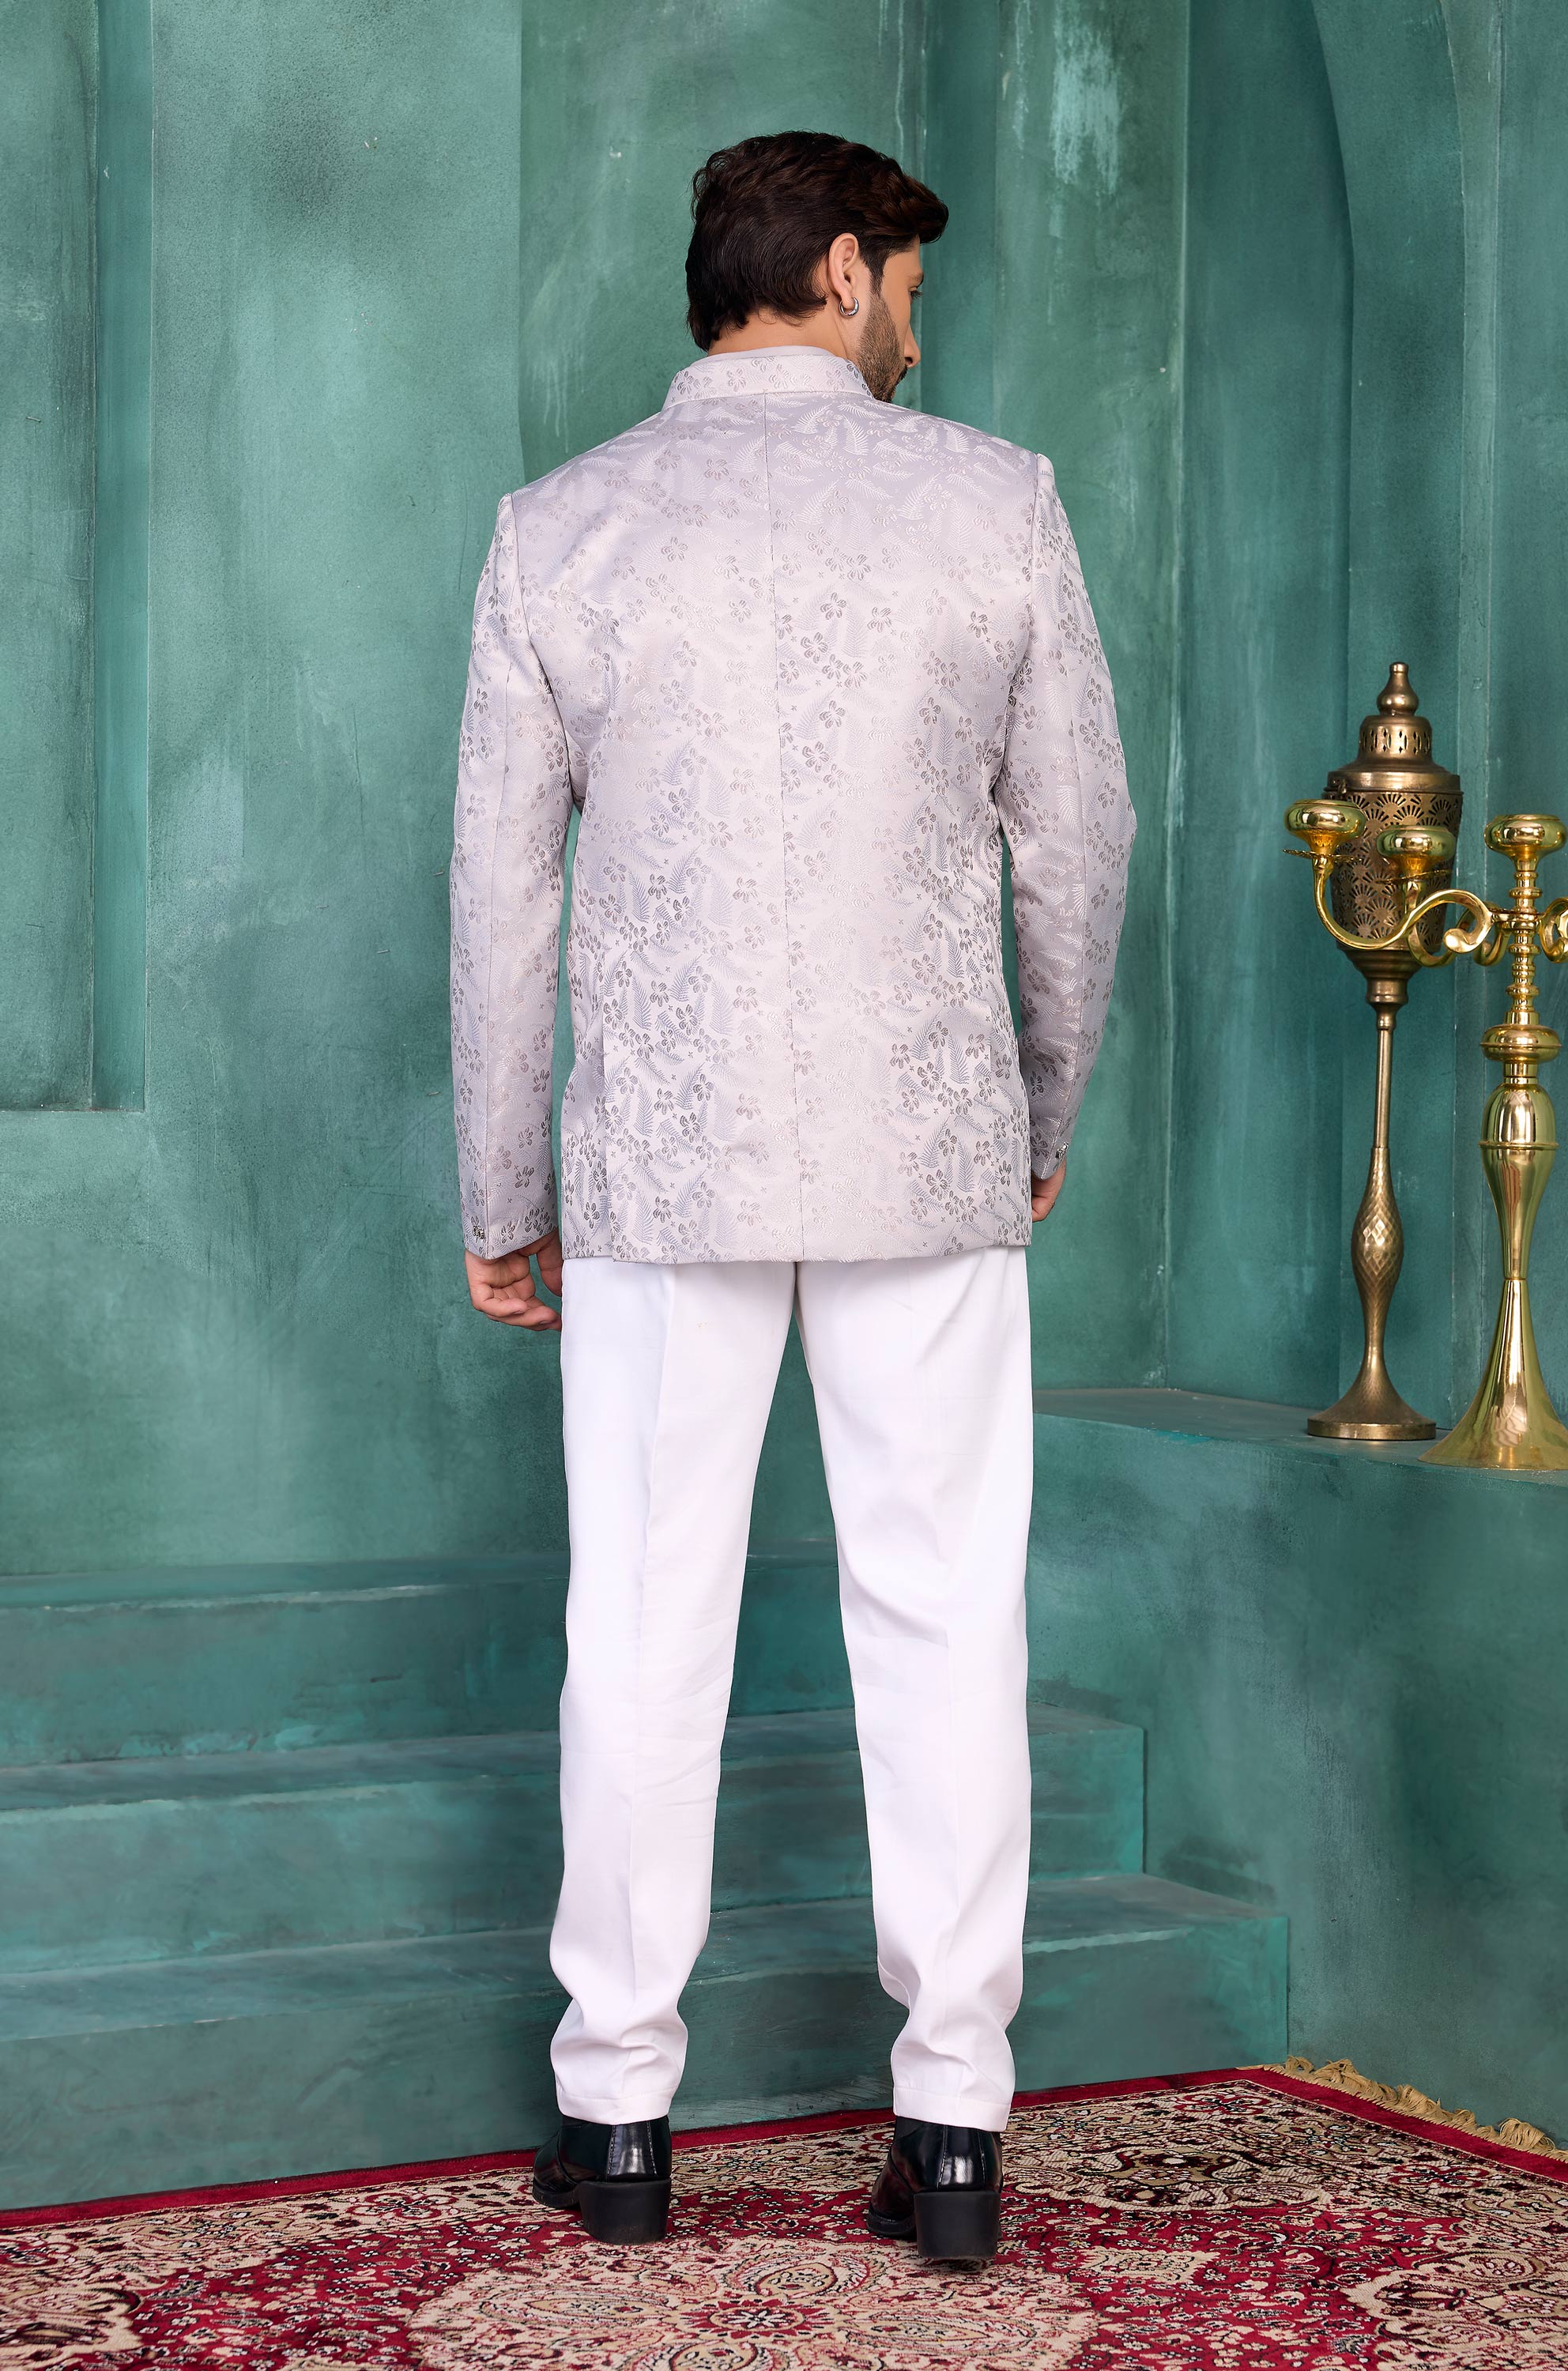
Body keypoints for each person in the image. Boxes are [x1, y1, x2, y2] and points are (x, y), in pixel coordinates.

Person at [450, 129, 1133, 2261]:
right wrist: (1039, 1102)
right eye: (909, 286)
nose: (918, 327)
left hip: (664, 1158)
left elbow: (501, 899)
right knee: (945, 1618)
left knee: (641, 1625)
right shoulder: (997, 500)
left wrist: (503, 1181)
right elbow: (1081, 842)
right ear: (842, 269)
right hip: (926, 1146)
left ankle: (618, 2116)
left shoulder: (562, 529)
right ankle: (957, 2126)